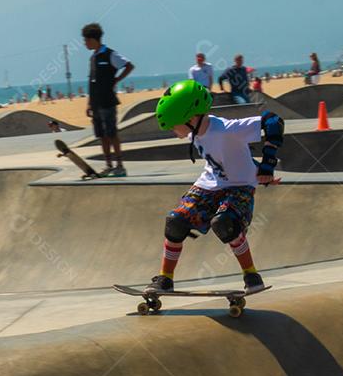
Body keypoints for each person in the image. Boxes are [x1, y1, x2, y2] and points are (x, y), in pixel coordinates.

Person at [145, 79, 283, 295]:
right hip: (209, 185)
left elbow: (273, 121)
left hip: (239, 188)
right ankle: (165, 279)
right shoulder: (197, 130)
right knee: (175, 222)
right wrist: (255, 167)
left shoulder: (226, 129)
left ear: (191, 118)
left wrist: (267, 164)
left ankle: (251, 274)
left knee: (225, 223)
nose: (173, 130)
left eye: (174, 124)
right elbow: (229, 158)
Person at [82, 22, 134, 177]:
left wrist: (117, 79)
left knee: (111, 133)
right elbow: (92, 81)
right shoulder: (93, 58)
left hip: (108, 102)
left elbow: (129, 66)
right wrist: (89, 103)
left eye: (86, 40)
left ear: (93, 39)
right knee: (101, 135)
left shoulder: (110, 54)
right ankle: (108, 165)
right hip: (96, 104)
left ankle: (120, 165)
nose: (85, 43)